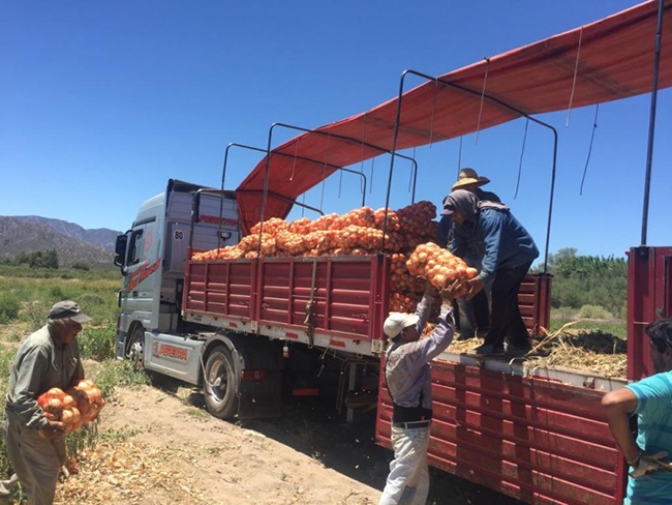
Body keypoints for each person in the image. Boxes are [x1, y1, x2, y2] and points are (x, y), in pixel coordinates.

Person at [378, 280, 460, 505]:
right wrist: (446, 303)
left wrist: (427, 297)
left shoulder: (396, 348)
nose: (419, 328)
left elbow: (419, 324)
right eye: (412, 327)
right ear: (404, 334)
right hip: (412, 429)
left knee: (420, 479)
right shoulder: (410, 352)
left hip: (406, 426)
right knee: (401, 478)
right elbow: (442, 337)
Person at [2, 300, 91, 505]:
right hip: (27, 420)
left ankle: (4, 496)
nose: (80, 327)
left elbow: (76, 380)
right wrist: (42, 423)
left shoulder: (69, 342)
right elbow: (21, 397)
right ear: (58, 323)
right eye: (75, 323)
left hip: (52, 417)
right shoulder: (40, 347)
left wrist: (85, 403)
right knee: (46, 472)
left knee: (33, 469)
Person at [443, 189, 539, 356]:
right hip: (503, 259)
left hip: (519, 256)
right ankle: (520, 342)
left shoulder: (491, 217)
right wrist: (445, 269)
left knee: (499, 293)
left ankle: (494, 344)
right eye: (450, 215)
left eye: (454, 213)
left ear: (464, 207)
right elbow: (457, 249)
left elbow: (492, 250)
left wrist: (482, 278)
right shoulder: (459, 223)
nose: (453, 217)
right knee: (507, 298)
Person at [602, 318, 672, 503]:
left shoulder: (664, 385)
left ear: (667, 353)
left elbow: (613, 402)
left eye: (653, 347)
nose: (650, 354)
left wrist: (635, 457)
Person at [437, 168, 501, 341]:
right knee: (463, 291)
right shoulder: (455, 205)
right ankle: (466, 331)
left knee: (489, 291)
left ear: (475, 185)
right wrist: (448, 261)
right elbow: (450, 233)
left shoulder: (489, 201)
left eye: (469, 186)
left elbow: (494, 235)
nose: (466, 189)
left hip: (487, 252)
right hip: (467, 252)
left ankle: (494, 333)